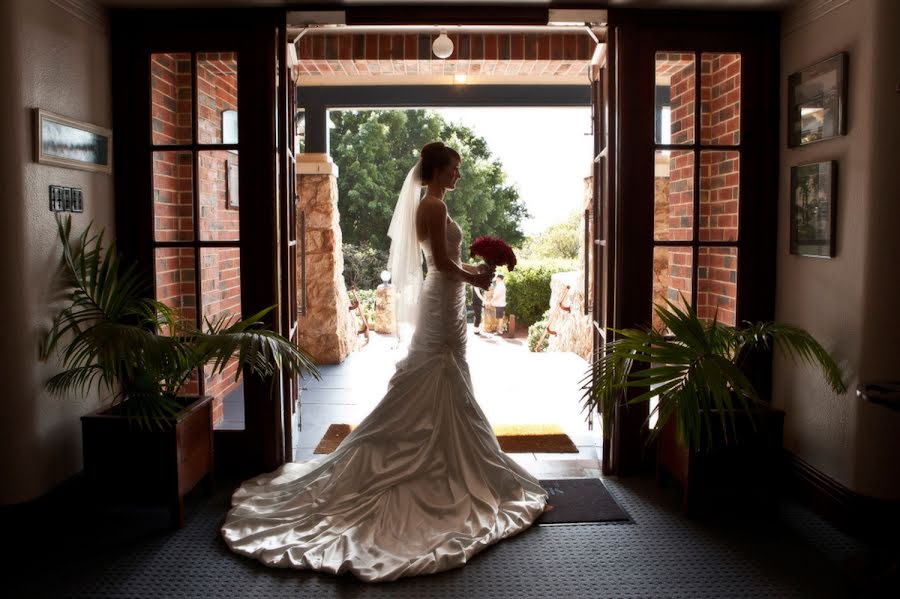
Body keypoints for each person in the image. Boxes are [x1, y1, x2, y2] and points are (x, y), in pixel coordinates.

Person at [221, 141, 551, 582]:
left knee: (447, 374)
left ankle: (450, 455)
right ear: (435, 170)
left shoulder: (435, 204)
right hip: (441, 300)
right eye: (454, 167)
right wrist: (475, 273)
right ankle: (434, 460)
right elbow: (441, 263)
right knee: (436, 369)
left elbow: (448, 264)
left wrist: (472, 274)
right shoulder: (431, 206)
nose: (458, 174)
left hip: (448, 301)